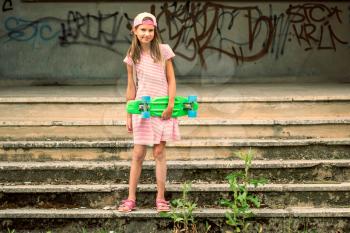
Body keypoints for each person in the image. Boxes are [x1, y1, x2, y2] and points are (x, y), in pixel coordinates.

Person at [118, 12, 180, 212]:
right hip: (142, 109)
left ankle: (161, 198)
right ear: (134, 31)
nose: (147, 34)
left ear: (155, 31)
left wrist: (170, 105)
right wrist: (128, 113)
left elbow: (171, 79)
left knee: (159, 152)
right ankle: (131, 199)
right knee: (138, 153)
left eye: (150, 30)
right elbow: (131, 86)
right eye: (143, 30)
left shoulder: (163, 51)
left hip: (162, 108)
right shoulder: (132, 56)